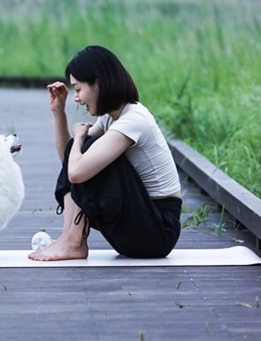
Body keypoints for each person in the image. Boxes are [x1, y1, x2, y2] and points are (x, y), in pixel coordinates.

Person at [28, 45, 182, 261]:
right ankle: (69, 238)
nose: (76, 97)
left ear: (98, 83)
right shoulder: (111, 118)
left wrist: (81, 137)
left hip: (158, 231)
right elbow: (69, 160)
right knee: (86, 150)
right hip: (137, 226)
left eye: (78, 89)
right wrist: (58, 113)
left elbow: (76, 172)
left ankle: (74, 241)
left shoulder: (134, 119)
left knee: (89, 147)